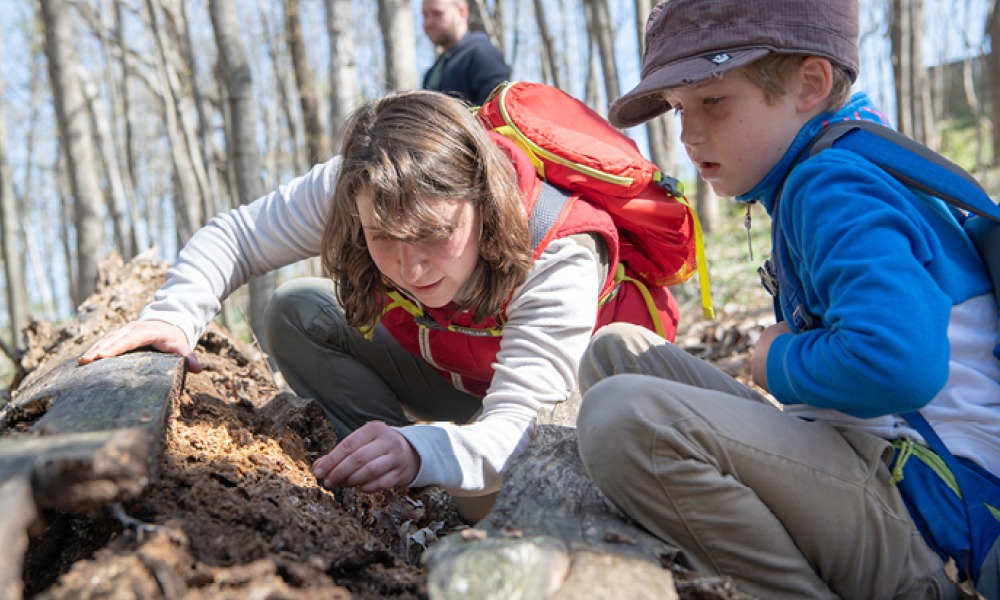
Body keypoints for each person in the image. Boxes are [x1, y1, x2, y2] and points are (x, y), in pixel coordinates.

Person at [78, 89, 680, 523]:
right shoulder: (359, 181)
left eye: (435, 234)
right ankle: (389, 490)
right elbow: (236, 234)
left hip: (562, 413)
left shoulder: (560, 250)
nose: (411, 267)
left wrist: (425, 451)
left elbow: (517, 431)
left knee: (493, 496)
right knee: (296, 312)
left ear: (483, 198)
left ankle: (424, 484)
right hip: (461, 377)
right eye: (383, 239)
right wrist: (173, 314)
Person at [574, 1, 1000, 599]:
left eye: (712, 102)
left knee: (622, 415)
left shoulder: (831, 183)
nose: (688, 134)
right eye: (678, 110)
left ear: (809, 83)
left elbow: (899, 362)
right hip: (874, 460)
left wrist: (776, 364)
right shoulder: (845, 157)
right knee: (616, 353)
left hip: (927, 520)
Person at [420, 0, 510, 105]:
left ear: (462, 12)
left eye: (438, 13)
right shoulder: (433, 72)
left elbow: (499, 109)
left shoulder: (481, 53)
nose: (428, 23)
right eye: (425, 15)